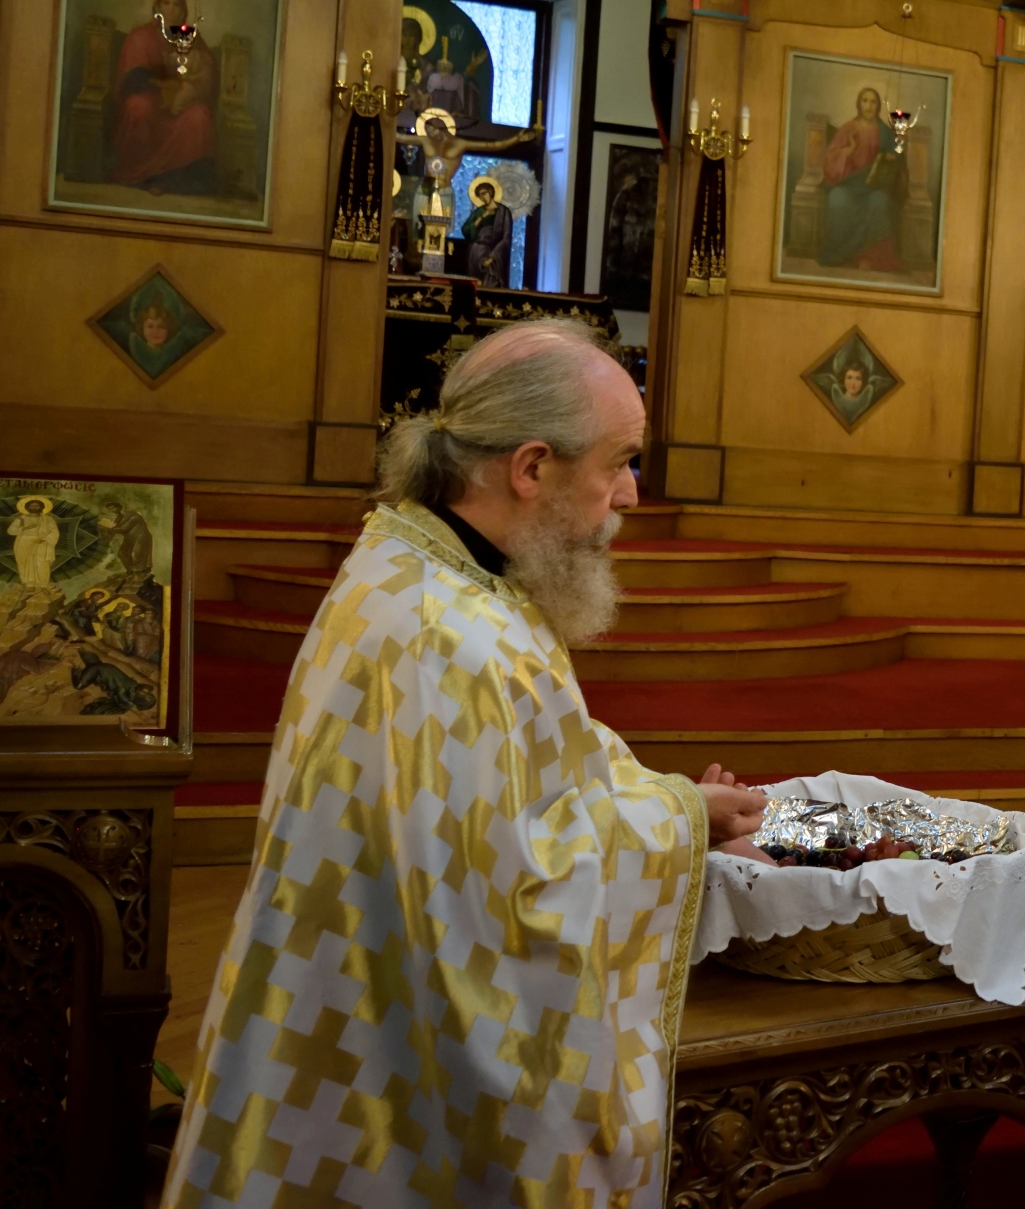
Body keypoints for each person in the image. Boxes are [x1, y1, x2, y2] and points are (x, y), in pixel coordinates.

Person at [164, 319, 769, 1207]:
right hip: (396, 1081)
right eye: (620, 461)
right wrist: (679, 823)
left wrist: (669, 797)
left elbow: (528, 763)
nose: (632, 494)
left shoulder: (416, 558)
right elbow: (511, 889)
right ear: (531, 468)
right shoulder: (452, 637)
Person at [111, 0, 218, 194]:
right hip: (150, 98)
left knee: (200, 117)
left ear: (183, 11)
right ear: (157, 8)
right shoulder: (140, 36)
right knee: (137, 108)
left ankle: (176, 179)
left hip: (181, 104)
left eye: (176, 5)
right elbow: (133, 78)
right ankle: (143, 176)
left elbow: (207, 75)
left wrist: (189, 88)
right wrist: (164, 87)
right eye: (166, 3)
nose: (171, 9)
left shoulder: (190, 37)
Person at [817, 88, 906, 271]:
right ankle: (840, 254)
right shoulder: (848, 128)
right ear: (859, 104)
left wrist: (893, 154)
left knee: (880, 202)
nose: (868, 106)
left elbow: (898, 151)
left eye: (873, 102)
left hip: (873, 187)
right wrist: (848, 151)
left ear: (878, 106)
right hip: (849, 185)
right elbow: (831, 158)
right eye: (865, 101)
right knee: (836, 200)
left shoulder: (884, 131)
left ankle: (869, 257)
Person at [8, 495, 60, 589]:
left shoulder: (48, 519)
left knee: (42, 564)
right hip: (23, 542)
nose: (34, 508)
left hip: (42, 542)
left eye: (37, 506)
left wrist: (44, 539)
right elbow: (10, 531)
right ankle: (28, 584)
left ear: (42, 507)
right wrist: (24, 528)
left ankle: (43, 586)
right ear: (27, 507)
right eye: (32, 506)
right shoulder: (21, 519)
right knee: (23, 564)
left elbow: (54, 531)